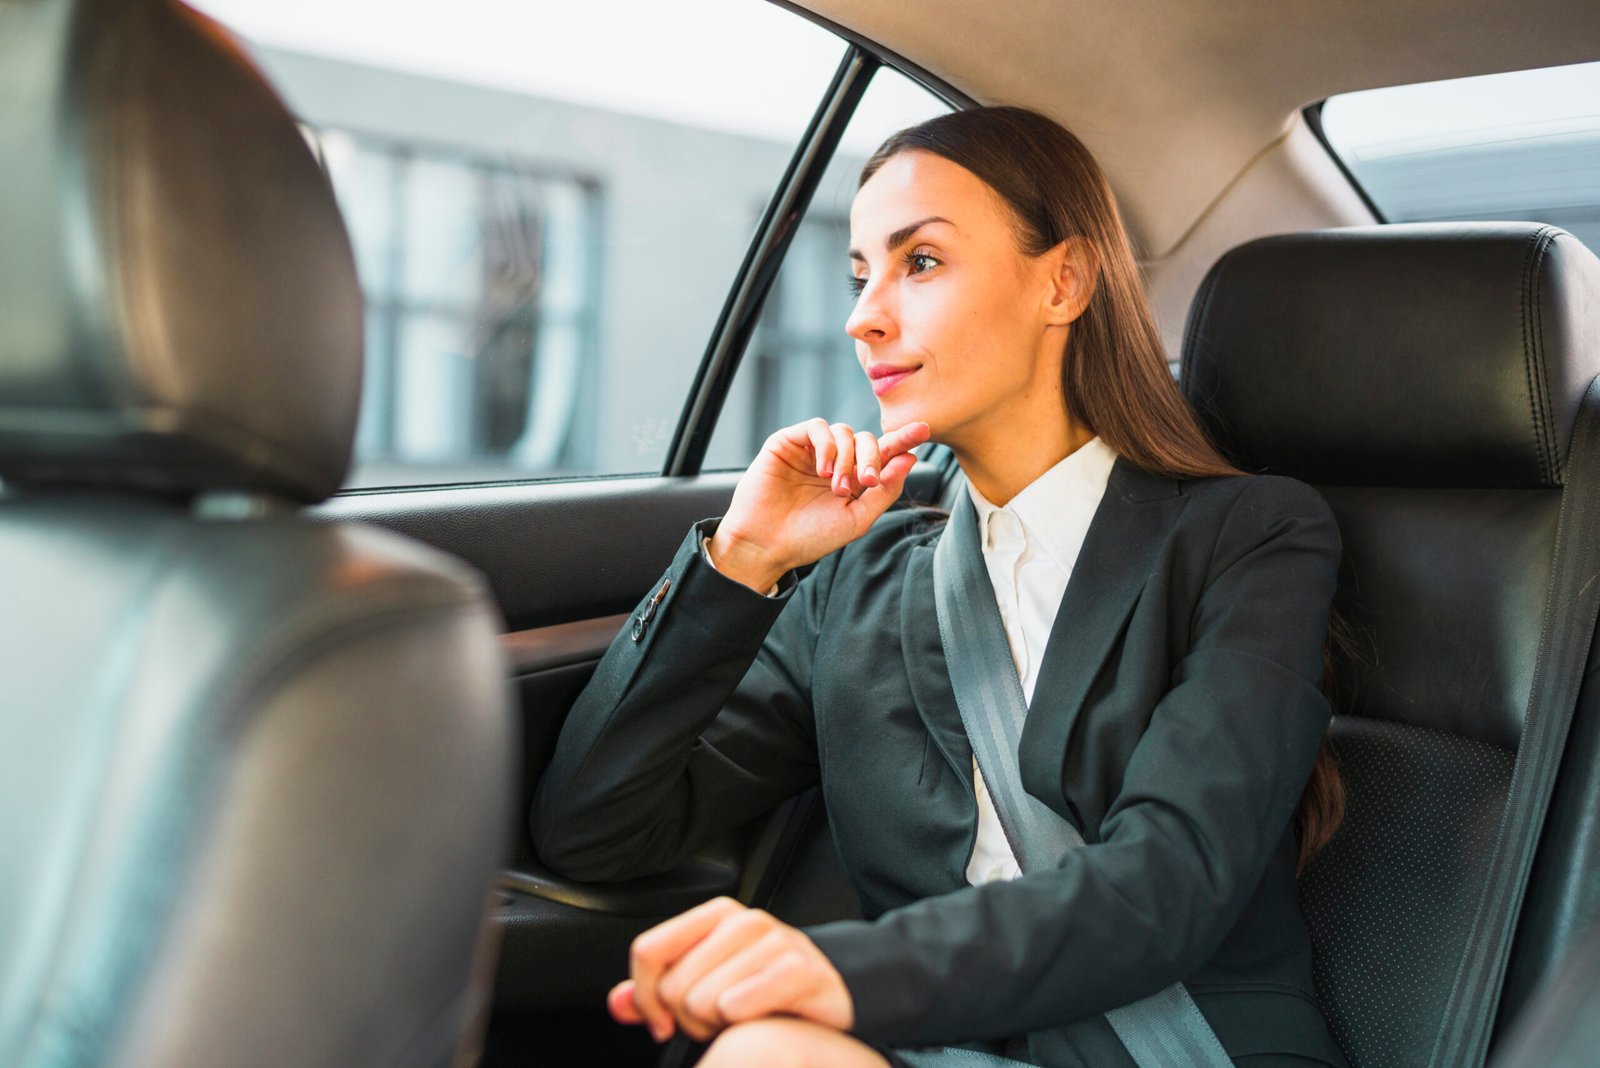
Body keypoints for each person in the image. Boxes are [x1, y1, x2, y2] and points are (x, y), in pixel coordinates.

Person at [531, 106, 1349, 1068]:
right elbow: (596, 829)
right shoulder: (860, 580)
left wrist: (837, 974)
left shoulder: (1250, 537)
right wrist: (743, 560)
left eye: (919, 262)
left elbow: (1170, 879)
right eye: (859, 274)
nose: (863, 313)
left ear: (1064, 281)